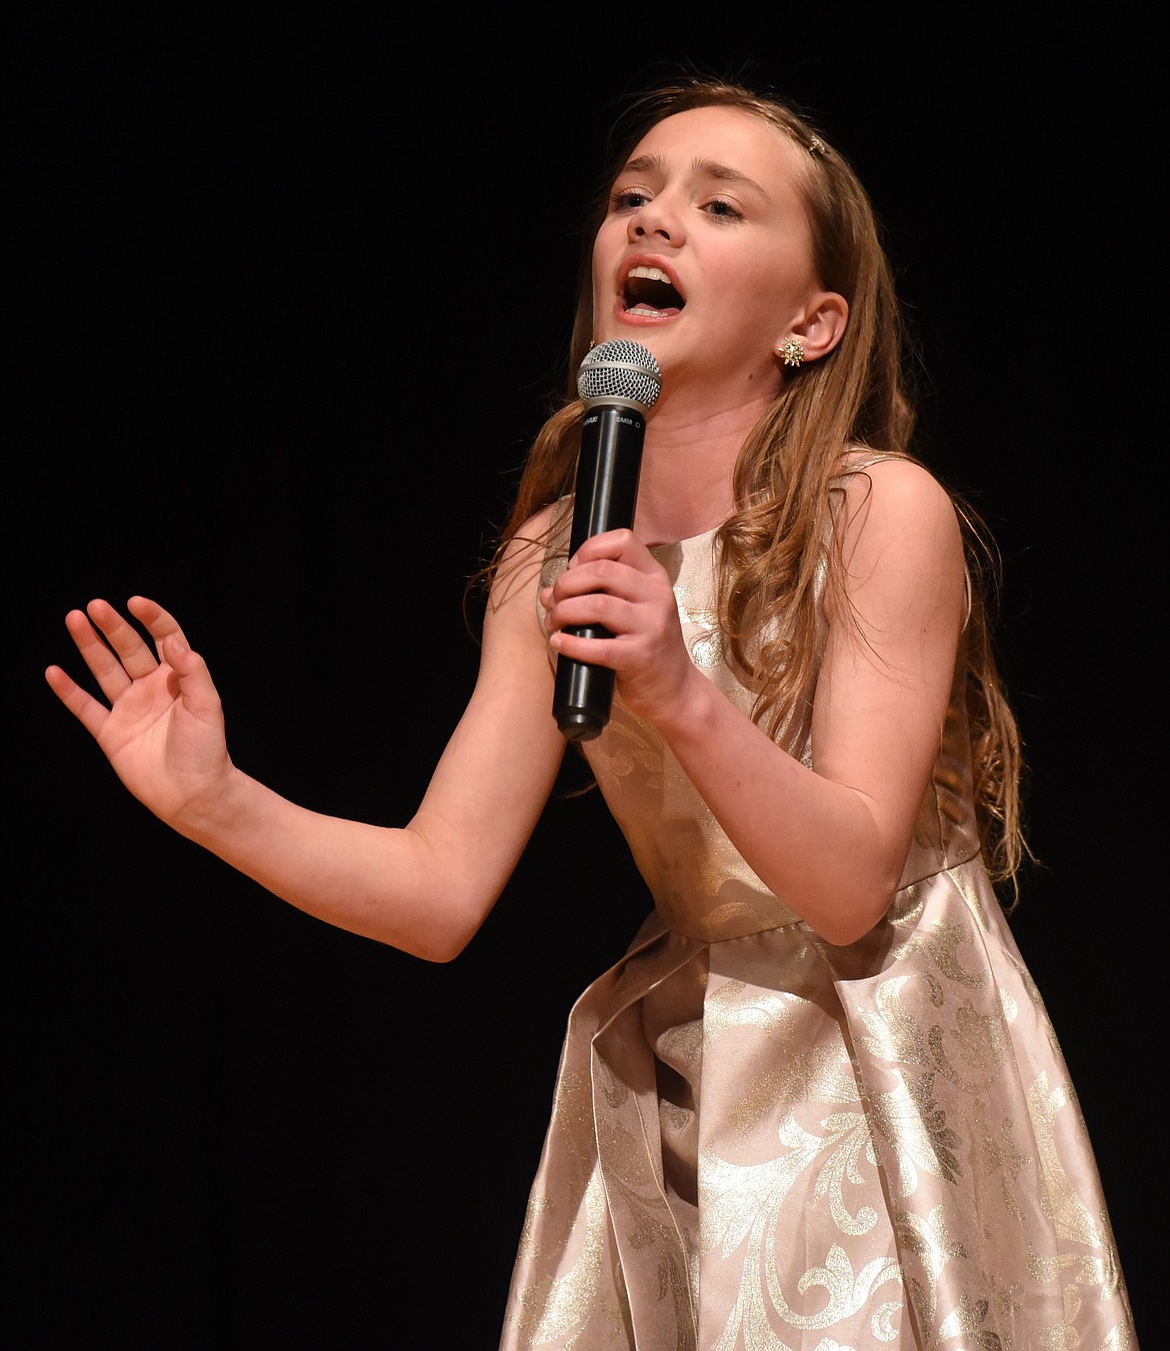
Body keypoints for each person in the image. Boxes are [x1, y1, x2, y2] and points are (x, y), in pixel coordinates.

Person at [45, 76, 1135, 1349]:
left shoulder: (877, 512)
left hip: (886, 1055)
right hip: (693, 1070)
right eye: (633, 198)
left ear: (813, 321)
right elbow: (439, 890)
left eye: (719, 206)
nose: (654, 223)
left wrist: (678, 692)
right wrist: (214, 801)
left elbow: (849, 891)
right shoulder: (556, 553)